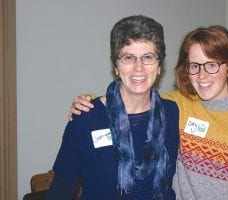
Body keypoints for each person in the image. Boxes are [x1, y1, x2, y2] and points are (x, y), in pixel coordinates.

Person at [69, 25, 228, 200]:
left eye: (211, 65)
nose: (202, 75)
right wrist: (90, 102)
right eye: (194, 66)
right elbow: (134, 99)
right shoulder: (178, 105)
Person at [45, 15, 179, 200]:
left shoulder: (172, 112)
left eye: (148, 57)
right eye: (128, 57)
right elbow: (61, 190)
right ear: (116, 66)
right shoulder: (86, 118)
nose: (138, 68)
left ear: (159, 66)